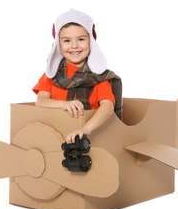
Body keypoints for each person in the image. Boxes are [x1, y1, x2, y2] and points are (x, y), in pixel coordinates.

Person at [32, 9, 122, 144]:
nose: (74, 46)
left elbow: (107, 107)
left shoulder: (99, 76)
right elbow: (41, 101)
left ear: (90, 41)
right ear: (58, 44)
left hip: (90, 139)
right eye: (67, 40)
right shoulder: (52, 73)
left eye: (81, 39)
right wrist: (64, 104)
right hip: (54, 138)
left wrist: (86, 129)